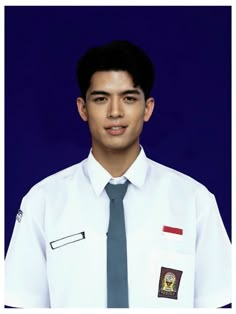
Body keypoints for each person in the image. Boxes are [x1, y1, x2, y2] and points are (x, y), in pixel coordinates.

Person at [5, 40, 231, 308]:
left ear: (147, 108)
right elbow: (23, 305)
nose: (115, 112)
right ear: (82, 108)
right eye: (101, 99)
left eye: (129, 98)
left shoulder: (194, 202)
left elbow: (216, 304)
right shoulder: (42, 202)